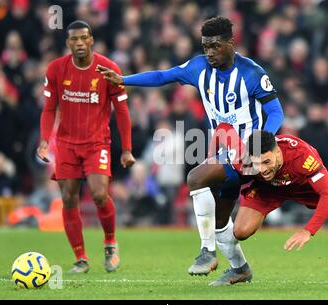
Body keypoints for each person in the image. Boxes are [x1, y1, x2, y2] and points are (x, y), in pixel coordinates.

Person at [96, 17, 284, 279]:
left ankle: (206, 252)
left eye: (215, 46)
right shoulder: (198, 68)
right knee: (220, 222)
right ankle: (240, 268)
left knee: (195, 177)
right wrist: (123, 79)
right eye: (205, 46)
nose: (209, 53)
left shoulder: (252, 73)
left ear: (231, 43)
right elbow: (163, 76)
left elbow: (275, 111)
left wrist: (261, 143)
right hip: (224, 152)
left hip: (247, 153)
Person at [208, 129, 328, 286]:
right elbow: (223, 132)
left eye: (267, 162)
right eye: (257, 164)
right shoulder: (247, 158)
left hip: (304, 186)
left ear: (277, 152)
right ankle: (242, 271)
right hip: (268, 189)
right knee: (241, 231)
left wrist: (308, 231)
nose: (262, 169)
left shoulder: (301, 156)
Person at [37, 20, 135, 273]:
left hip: (97, 143)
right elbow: (49, 109)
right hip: (67, 143)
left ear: (91, 40)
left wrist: (127, 148)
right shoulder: (56, 69)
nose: (79, 43)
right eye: (74, 39)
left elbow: (122, 111)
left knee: (99, 193)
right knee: (68, 198)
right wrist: (45, 140)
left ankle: (110, 242)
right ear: (68, 43)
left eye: (84, 38)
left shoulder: (108, 69)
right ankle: (81, 258)